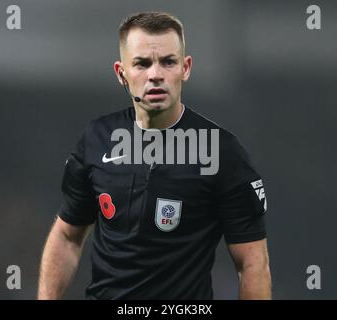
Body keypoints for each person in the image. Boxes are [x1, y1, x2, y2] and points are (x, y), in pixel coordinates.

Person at [38, 11, 271, 300]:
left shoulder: (222, 151)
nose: (156, 74)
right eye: (142, 63)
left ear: (185, 68)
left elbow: (251, 263)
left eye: (168, 62)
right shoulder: (97, 140)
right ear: (121, 73)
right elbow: (67, 236)